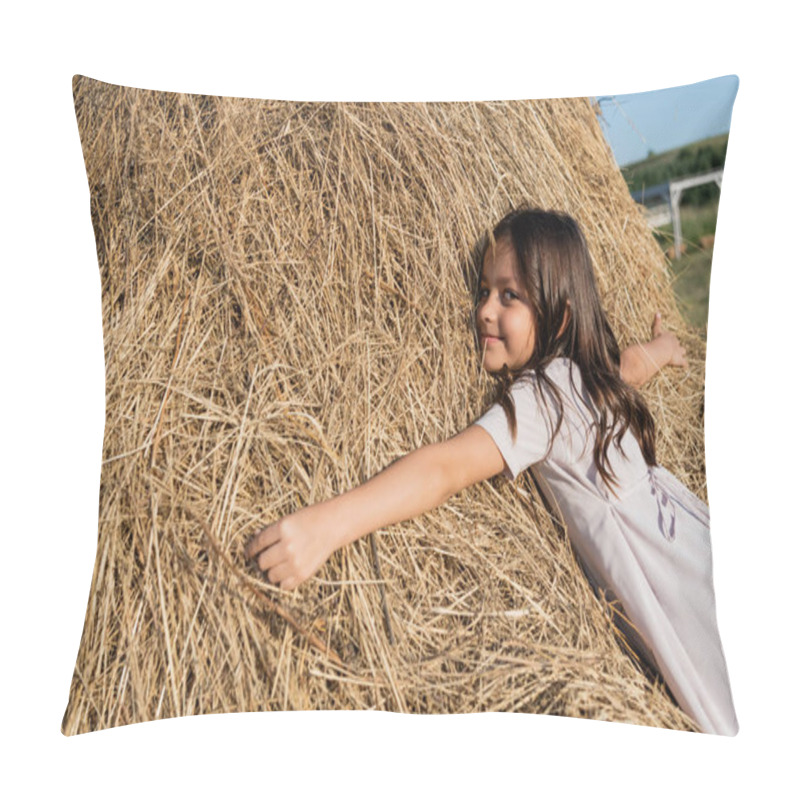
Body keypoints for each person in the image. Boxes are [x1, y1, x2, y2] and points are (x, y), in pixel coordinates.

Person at [245, 206, 738, 736]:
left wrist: (326, 526)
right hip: (696, 544)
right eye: (483, 291)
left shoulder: (541, 399)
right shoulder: (582, 377)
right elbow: (629, 369)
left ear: (560, 316)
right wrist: (664, 349)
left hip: (681, 587)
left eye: (509, 295)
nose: (484, 310)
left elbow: (446, 467)